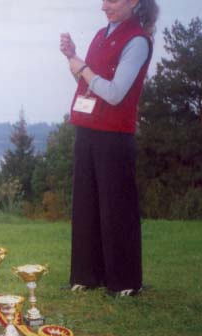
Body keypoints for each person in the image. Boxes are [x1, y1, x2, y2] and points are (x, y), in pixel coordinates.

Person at [59, 0, 159, 297]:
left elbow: (115, 94)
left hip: (115, 135)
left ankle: (125, 282)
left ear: (134, 2)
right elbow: (87, 82)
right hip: (87, 128)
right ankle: (86, 276)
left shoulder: (138, 40)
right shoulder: (101, 35)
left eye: (113, 0)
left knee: (116, 208)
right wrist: (73, 58)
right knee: (86, 204)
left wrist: (84, 68)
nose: (105, 6)